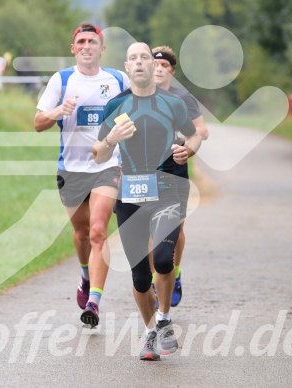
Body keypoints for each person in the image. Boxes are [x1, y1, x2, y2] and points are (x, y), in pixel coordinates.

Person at [93, 42, 201, 361]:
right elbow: (97, 153)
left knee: (164, 259)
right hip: (130, 195)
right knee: (140, 277)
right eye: (133, 58)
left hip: (168, 190)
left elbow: (194, 134)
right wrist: (111, 139)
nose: (140, 62)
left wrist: (189, 149)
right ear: (126, 67)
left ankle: (165, 318)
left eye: (144, 57)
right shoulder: (116, 105)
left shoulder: (172, 103)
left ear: (152, 66)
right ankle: (151, 331)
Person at [34, 22, 130, 327]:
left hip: (107, 165)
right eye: (81, 41)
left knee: (98, 230)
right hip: (71, 168)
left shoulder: (117, 79)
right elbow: (38, 123)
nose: (86, 45)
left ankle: (94, 302)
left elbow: (136, 113)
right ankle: (85, 275)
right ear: (73, 49)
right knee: (81, 234)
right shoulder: (61, 80)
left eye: (93, 41)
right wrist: (57, 111)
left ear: (102, 49)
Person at [150, 45, 209, 307]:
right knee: (153, 228)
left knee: (177, 227)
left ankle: (177, 270)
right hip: (146, 171)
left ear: (171, 71)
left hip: (175, 167)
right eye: (155, 65)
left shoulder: (182, 98)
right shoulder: (139, 95)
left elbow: (202, 131)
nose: (158, 69)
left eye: (164, 66)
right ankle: (158, 277)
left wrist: (183, 140)